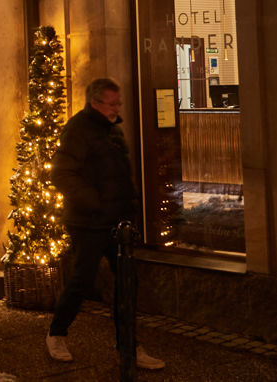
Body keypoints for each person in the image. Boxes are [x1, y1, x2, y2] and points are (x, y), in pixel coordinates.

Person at [47, 77, 164, 370]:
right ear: (95, 103)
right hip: (89, 222)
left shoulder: (112, 130)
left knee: (127, 283)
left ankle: (129, 347)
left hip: (116, 222)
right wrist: (94, 202)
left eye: (118, 102)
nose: (117, 108)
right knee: (81, 281)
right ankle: (56, 333)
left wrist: (129, 210)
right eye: (112, 103)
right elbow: (61, 174)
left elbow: (120, 176)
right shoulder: (78, 130)